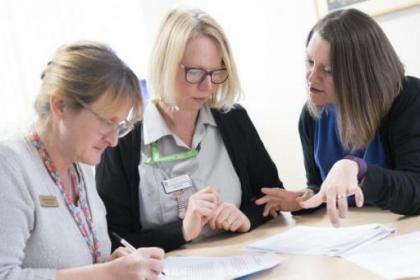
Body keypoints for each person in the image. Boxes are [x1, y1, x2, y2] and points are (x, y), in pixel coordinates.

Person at [96, 8, 298, 252]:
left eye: (216, 72)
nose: (207, 86)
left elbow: (272, 197)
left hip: (239, 261)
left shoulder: (233, 119)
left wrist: (246, 218)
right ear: (165, 65)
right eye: (194, 72)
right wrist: (181, 231)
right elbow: (113, 240)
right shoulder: (125, 138)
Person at [0, 41, 164, 280]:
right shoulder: (10, 167)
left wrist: (110, 264)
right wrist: (107, 273)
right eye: (107, 121)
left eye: (120, 126)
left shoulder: (81, 164)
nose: (113, 140)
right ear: (60, 105)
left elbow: (79, 266)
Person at [256, 8, 420, 226]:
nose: (312, 77)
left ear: (361, 73)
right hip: (350, 235)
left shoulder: (408, 98)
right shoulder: (311, 116)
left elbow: (416, 189)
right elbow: (319, 185)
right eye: (310, 61)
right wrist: (304, 199)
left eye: (329, 70)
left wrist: (358, 169)